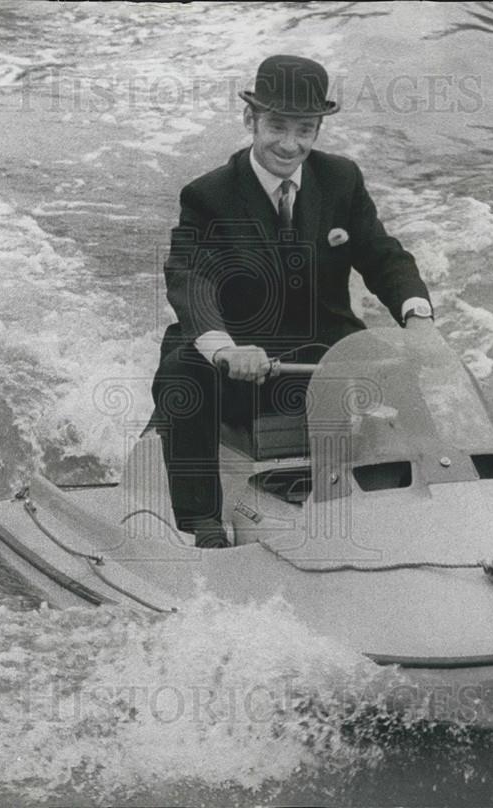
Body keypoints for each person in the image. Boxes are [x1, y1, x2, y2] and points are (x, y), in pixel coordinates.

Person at [153, 54, 433, 548]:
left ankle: (430, 512)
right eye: (276, 126)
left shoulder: (341, 179)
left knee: (398, 372)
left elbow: (384, 257)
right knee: (182, 375)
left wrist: (417, 317)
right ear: (250, 121)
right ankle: (203, 528)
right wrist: (225, 348)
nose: (289, 143)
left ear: (318, 130)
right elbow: (190, 279)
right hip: (241, 360)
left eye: (304, 129)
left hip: (322, 353)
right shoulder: (208, 196)